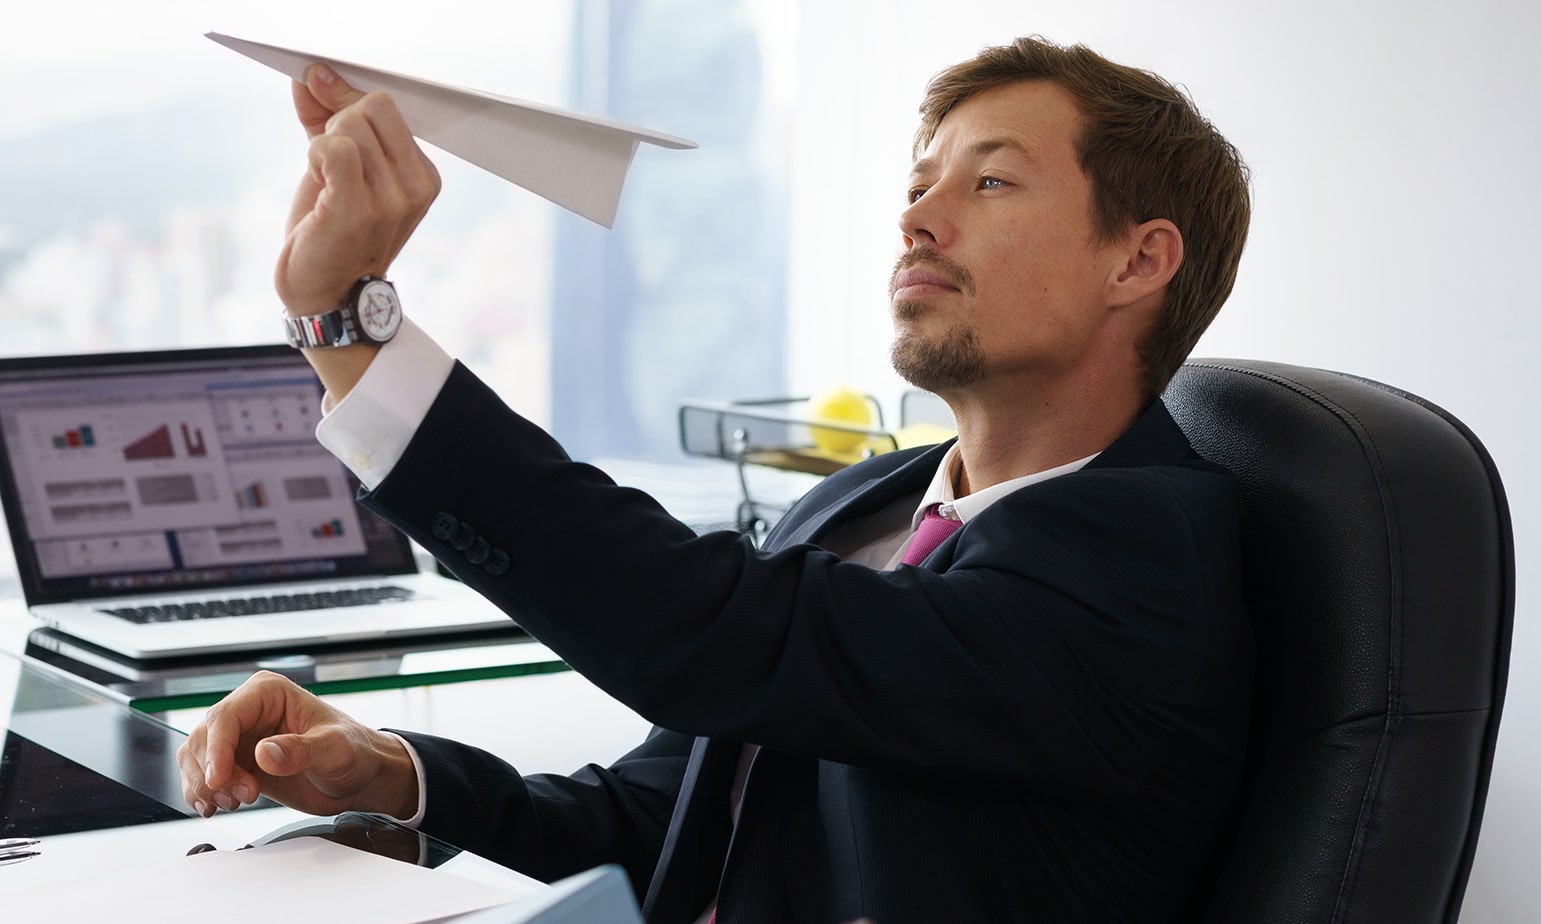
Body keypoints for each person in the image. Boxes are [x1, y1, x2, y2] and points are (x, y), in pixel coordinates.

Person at [178, 35, 1254, 923]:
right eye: (918, 184)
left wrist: (349, 330)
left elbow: (702, 629)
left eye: (988, 180)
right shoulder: (861, 506)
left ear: (1136, 261)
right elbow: (665, 823)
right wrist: (392, 777)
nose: (917, 217)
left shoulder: (1151, 561)